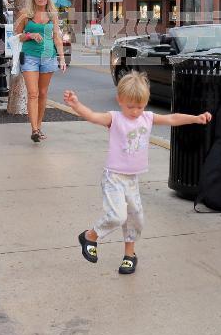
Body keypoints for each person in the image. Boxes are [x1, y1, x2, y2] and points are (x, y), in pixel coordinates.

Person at [64, 72, 211, 274]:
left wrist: (196, 118)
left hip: (132, 179)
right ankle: (90, 236)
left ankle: (129, 255)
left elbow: (172, 118)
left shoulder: (147, 118)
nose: (135, 112)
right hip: (113, 177)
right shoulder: (114, 118)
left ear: (146, 103)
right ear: (120, 100)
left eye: (140, 107)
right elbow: (93, 116)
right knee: (117, 216)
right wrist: (76, 105)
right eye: (130, 106)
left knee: (135, 219)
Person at [14, 0, 68, 143]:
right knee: (33, 93)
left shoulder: (52, 15)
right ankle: (34, 129)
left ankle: (39, 126)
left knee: (43, 93)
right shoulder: (26, 14)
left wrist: (62, 58)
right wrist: (30, 35)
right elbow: (16, 36)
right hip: (29, 56)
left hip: (48, 56)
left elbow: (57, 37)